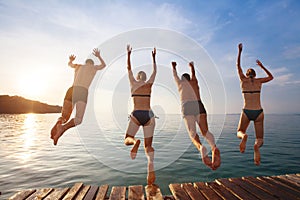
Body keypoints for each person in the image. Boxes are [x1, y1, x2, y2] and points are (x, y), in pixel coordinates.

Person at [51, 48, 106, 145]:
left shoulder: (78, 66)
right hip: (82, 91)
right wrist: (99, 56)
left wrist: (71, 60)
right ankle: (63, 128)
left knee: (64, 116)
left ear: (85, 62)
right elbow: (103, 65)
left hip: (71, 90)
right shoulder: (93, 68)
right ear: (92, 64)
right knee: (78, 119)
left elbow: (70, 64)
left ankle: (59, 123)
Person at [172, 61, 221, 170]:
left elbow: (174, 75)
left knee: (193, 134)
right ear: (189, 78)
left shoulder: (180, 84)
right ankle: (213, 147)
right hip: (198, 104)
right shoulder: (194, 82)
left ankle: (201, 147)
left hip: (186, 106)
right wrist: (192, 67)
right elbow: (194, 74)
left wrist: (174, 67)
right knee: (205, 132)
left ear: (182, 79)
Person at [124, 44, 157, 185]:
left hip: (136, 114)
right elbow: (155, 71)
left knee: (127, 138)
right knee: (148, 146)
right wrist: (154, 58)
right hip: (149, 115)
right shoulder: (149, 84)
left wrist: (129, 55)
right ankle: (150, 163)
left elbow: (128, 69)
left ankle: (134, 141)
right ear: (145, 77)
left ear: (138, 77)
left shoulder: (133, 83)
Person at [236, 43, 273, 165]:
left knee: (240, 131)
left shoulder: (243, 80)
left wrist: (240, 52)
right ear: (255, 75)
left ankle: (244, 137)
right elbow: (271, 77)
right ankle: (256, 147)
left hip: (246, 111)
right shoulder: (259, 81)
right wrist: (262, 66)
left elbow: (238, 66)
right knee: (260, 139)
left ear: (246, 75)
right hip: (258, 112)